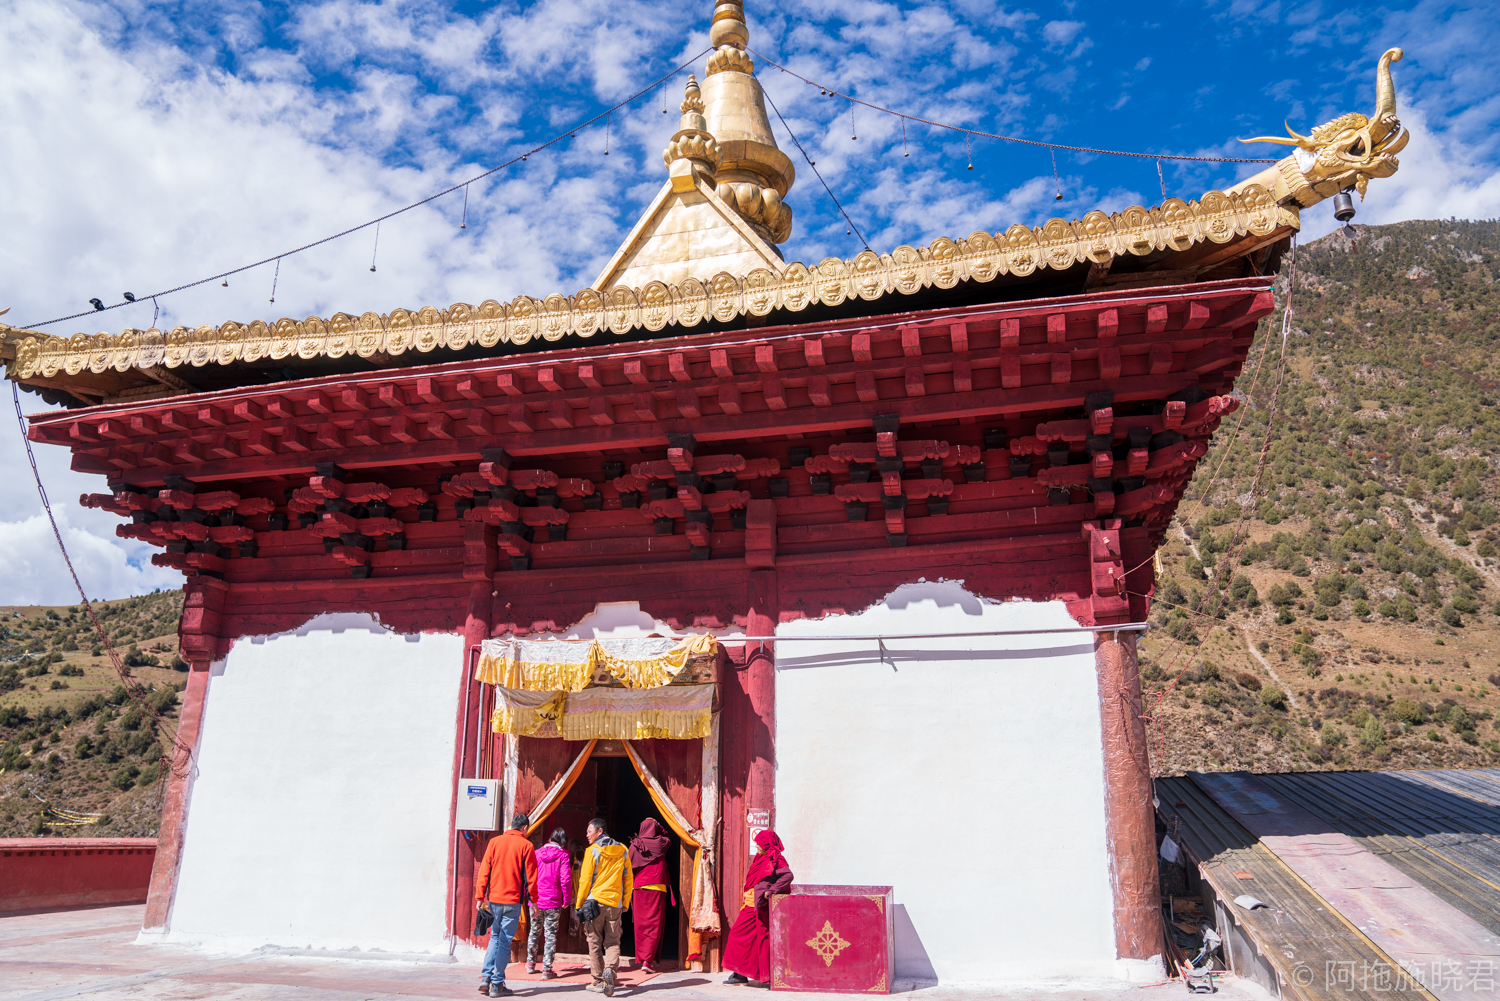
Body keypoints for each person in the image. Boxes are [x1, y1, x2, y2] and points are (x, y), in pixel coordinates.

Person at [475, 813, 539, 998]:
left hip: (494, 900)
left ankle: (486, 978)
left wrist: (480, 896)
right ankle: (497, 984)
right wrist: (534, 901)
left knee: (494, 937)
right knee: (504, 942)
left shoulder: (494, 842)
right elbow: (531, 877)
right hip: (512, 901)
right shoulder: (526, 845)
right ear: (524, 828)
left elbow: (484, 870)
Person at [721, 829, 793, 987]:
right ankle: (741, 974)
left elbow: (788, 875)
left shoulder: (776, 858)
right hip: (751, 903)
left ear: (767, 844)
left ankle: (742, 974)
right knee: (751, 940)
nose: (757, 846)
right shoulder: (761, 857)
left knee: (738, 935)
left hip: (758, 905)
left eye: (759, 844)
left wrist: (771, 891)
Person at [575, 817, 634, 996]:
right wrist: (625, 902)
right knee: (613, 942)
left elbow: (585, 881)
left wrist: (579, 904)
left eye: (589, 831)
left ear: (600, 831)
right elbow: (629, 878)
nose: (587, 834)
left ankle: (597, 980)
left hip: (595, 903)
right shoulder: (623, 850)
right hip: (615, 903)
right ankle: (610, 971)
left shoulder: (592, 851)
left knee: (594, 942)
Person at [627, 818, 674, 974]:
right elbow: (668, 836)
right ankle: (647, 961)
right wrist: (660, 826)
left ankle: (642, 958)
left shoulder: (634, 845)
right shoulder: (661, 842)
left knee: (641, 926)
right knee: (654, 925)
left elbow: (628, 869)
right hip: (656, 887)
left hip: (639, 888)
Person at [527, 827, 574, 979]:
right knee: (550, 935)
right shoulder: (563, 856)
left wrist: (530, 897)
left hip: (536, 900)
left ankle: (530, 963)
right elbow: (565, 880)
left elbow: (530, 876)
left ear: (550, 839)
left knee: (534, 931)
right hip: (553, 901)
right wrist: (566, 899)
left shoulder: (537, 853)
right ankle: (547, 969)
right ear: (563, 842)